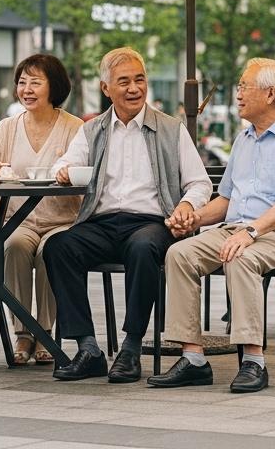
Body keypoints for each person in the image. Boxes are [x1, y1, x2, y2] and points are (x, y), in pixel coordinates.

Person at [147, 58, 275, 394]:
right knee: (179, 253)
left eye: (244, 86)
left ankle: (254, 360)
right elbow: (226, 200)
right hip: (234, 229)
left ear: (270, 94)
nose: (237, 93)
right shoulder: (244, 139)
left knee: (240, 256)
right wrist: (193, 218)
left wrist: (251, 232)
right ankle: (193, 358)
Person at [45, 48, 212, 382]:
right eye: (124, 82)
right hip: (102, 223)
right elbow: (63, 163)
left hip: (153, 222)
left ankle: (131, 349)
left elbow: (199, 183)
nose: (134, 88)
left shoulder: (170, 128)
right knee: (58, 247)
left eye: (140, 80)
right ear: (107, 88)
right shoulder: (92, 130)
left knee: (143, 248)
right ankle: (88, 348)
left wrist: (185, 206)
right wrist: (64, 171)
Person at [0, 54, 84, 365]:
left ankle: (44, 331)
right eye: (22, 82)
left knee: (52, 250)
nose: (27, 89)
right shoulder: (7, 127)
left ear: (55, 86)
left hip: (62, 220)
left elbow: (88, 173)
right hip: (16, 221)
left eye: (36, 82)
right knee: (15, 246)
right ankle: (23, 331)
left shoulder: (74, 128)